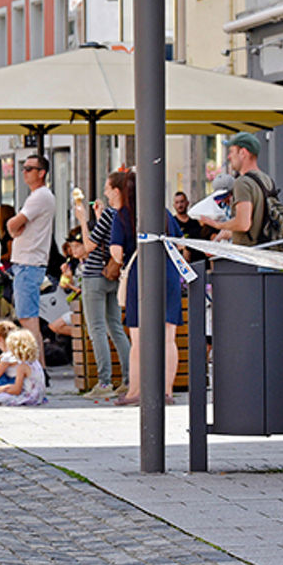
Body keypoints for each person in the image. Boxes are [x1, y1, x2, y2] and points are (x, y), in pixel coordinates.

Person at [110, 169, 184, 406]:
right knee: (168, 337)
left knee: (139, 338)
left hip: (140, 276)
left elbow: (117, 253)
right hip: (169, 275)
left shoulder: (123, 215)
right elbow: (180, 244)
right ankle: (167, 391)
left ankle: (135, 392)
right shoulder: (162, 214)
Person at [76, 175, 130, 399]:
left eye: (107, 189)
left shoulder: (110, 213)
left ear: (116, 190)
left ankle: (105, 381)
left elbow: (89, 245)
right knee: (116, 327)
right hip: (112, 275)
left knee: (97, 328)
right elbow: (108, 240)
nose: (105, 193)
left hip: (94, 276)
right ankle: (128, 378)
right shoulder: (121, 214)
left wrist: (82, 219)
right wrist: (97, 217)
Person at [6, 155, 55, 368]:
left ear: (41, 172)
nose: (24, 172)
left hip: (29, 263)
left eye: (29, 168)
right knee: (28, 318)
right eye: (24, 168)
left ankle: (37, 368)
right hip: (29, 263)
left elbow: (12, 225)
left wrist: (13, 224)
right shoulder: (39, 196)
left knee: (28, 320)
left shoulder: (40, 196)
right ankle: (38, 367)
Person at [202, 133, 272, 245]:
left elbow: (243, 224)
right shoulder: (266, 179)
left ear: (243, 153)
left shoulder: (242, 182)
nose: (229, 157)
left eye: (231, 152)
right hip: (264, 250)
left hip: (247, 254)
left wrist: (217, 225)